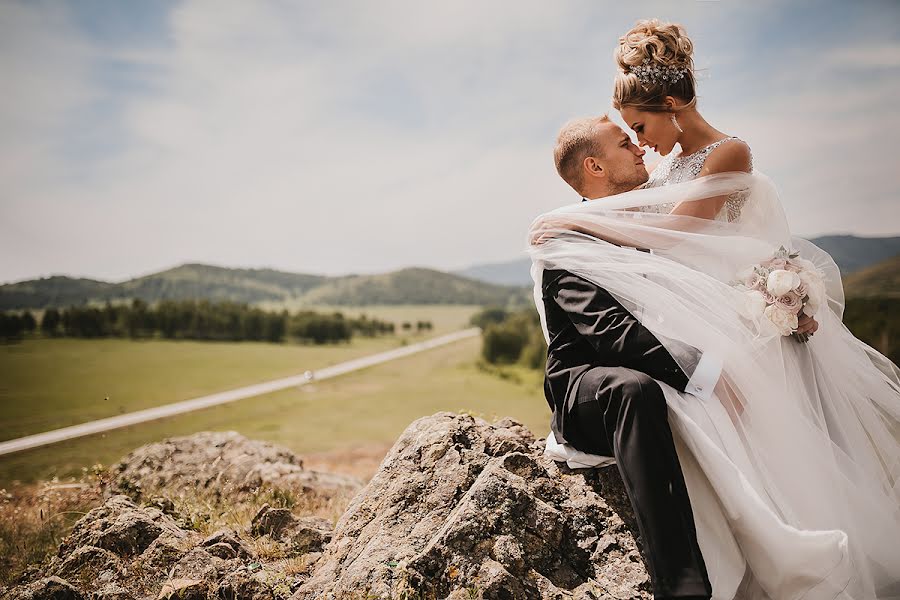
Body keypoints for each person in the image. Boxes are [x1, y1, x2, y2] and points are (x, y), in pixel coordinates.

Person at [529, 19, 900, 600]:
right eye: (628, 136)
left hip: (730, 317)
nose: (642, 144)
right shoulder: (661, 175)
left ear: (673, 105)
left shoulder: (729, 151)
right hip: (689, 324)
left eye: (640, 128)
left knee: (766, 440)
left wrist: (575, 215)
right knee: (703, 413)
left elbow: (671, 238)